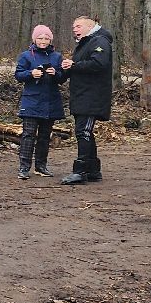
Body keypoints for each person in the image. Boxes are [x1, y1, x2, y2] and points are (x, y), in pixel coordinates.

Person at [60, 14, 114, 185]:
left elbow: (99, 64)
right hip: (81, 96)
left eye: (78, 26)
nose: (74, 29)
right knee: (85, 132)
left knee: (83, 132)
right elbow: (78, 68)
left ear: (90, 26)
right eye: (73, 27)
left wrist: (74, 65)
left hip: (93, 96)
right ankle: (93, 170)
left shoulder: (100, 41)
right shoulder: (83, 44)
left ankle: (80, 171)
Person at [14, 25, 65, 180]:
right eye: (40, 38)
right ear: (34, 39)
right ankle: (24, 167)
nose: (43, 41)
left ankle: (41, 166)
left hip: (51, 101)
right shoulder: (26, 56)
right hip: (31, 101)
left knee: (44, 136)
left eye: (46, 38)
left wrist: (56, 73)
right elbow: (18, 74)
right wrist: (31, 73)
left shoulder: (57, 57)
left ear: (50, 40)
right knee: (28, 135)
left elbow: (63, 78)